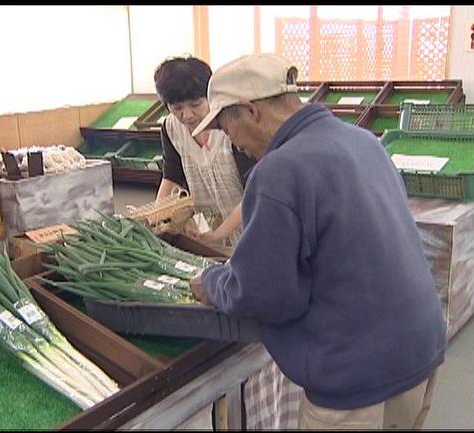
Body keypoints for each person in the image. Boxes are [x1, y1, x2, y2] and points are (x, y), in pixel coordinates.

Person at [189, 53, 447, 430]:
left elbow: (263, 294)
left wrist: (212, 282)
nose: (233, 144)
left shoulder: (279, 170)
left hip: (357, 378)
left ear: (249, 111)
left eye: (229, 130)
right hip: (419, 350)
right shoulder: (363, 141)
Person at [153, 56, 257, 246]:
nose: (187, 115)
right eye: (177, 108)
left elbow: (256, 191)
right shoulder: (171, 128)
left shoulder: (231, 127)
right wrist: (156, 216)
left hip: (251, 225)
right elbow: (172, 176)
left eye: (196, 105)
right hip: (208, 229)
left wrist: (219, 234)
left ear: (211, 96)